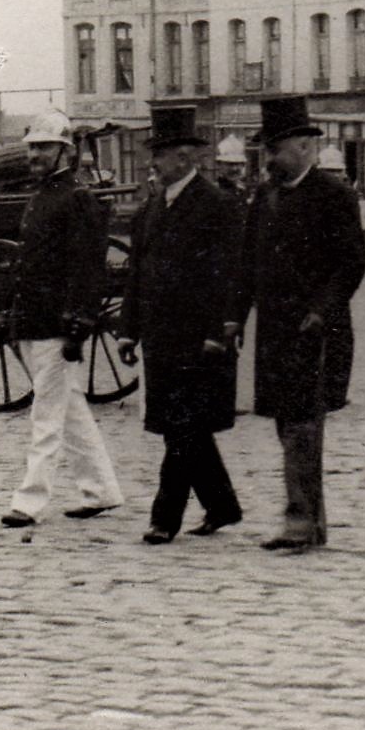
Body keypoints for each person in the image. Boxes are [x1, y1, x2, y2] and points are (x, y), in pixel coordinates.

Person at [236, 96, 365, 552]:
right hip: (275, 331)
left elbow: (350, 265)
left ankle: (300, 521)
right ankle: (313, 521)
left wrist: (322, 309)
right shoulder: (265, 198)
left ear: (307, 147)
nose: (270, 159)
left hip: (317, 331)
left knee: (302, 427)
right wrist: (235, 319)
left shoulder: (336, 197)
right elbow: (247, 266)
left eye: (277, 149)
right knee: (287, 425)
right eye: (267, 150)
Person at [116, 106, 244, 545]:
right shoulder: (151, 208)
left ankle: (163, 518)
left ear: (186, 158)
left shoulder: (217, 206)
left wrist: (219, 332)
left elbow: (229, 276)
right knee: (182, 428)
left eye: (162, 154)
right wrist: (127, 330)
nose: (154, 162)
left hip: (200, 340)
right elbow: (137, 274)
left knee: (184, 428)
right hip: (160, 340)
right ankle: (222, 506)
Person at [0, 112, 124, 528]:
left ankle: (30, 500)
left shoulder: (76, 199)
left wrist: (79, 323)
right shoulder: (43, 195)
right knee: (70, 410)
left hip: (56, 322)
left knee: (46, 415)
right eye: (33, 146)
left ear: (64, 151)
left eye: (44, 147)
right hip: (35, 320)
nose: (36, 154)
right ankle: (101, 490)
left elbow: (87, 268)